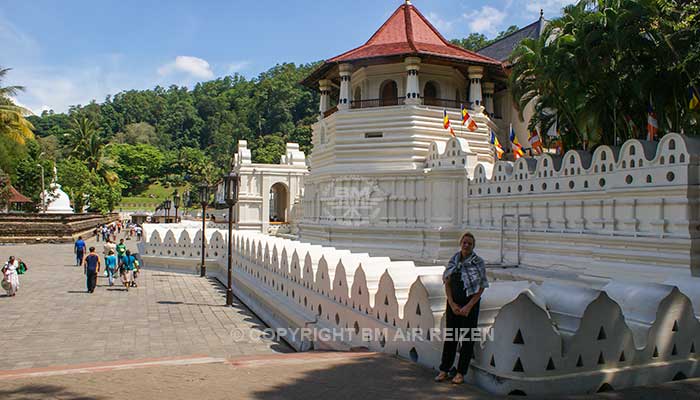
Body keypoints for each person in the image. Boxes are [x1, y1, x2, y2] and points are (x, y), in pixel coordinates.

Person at [435, 232, 489, 385]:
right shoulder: (454, 260)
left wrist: (468, 306)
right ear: (460, 243)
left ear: (473, 246)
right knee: (451, 338)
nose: (466, 245)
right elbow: (447, 283)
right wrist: (451, 304)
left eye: (469, 243)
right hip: (454, 304)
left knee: (467, 339)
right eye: (464, 242)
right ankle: (444, 369)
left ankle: (460, 373)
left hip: (470, 305)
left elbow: (481, 287)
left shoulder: (478, 262)